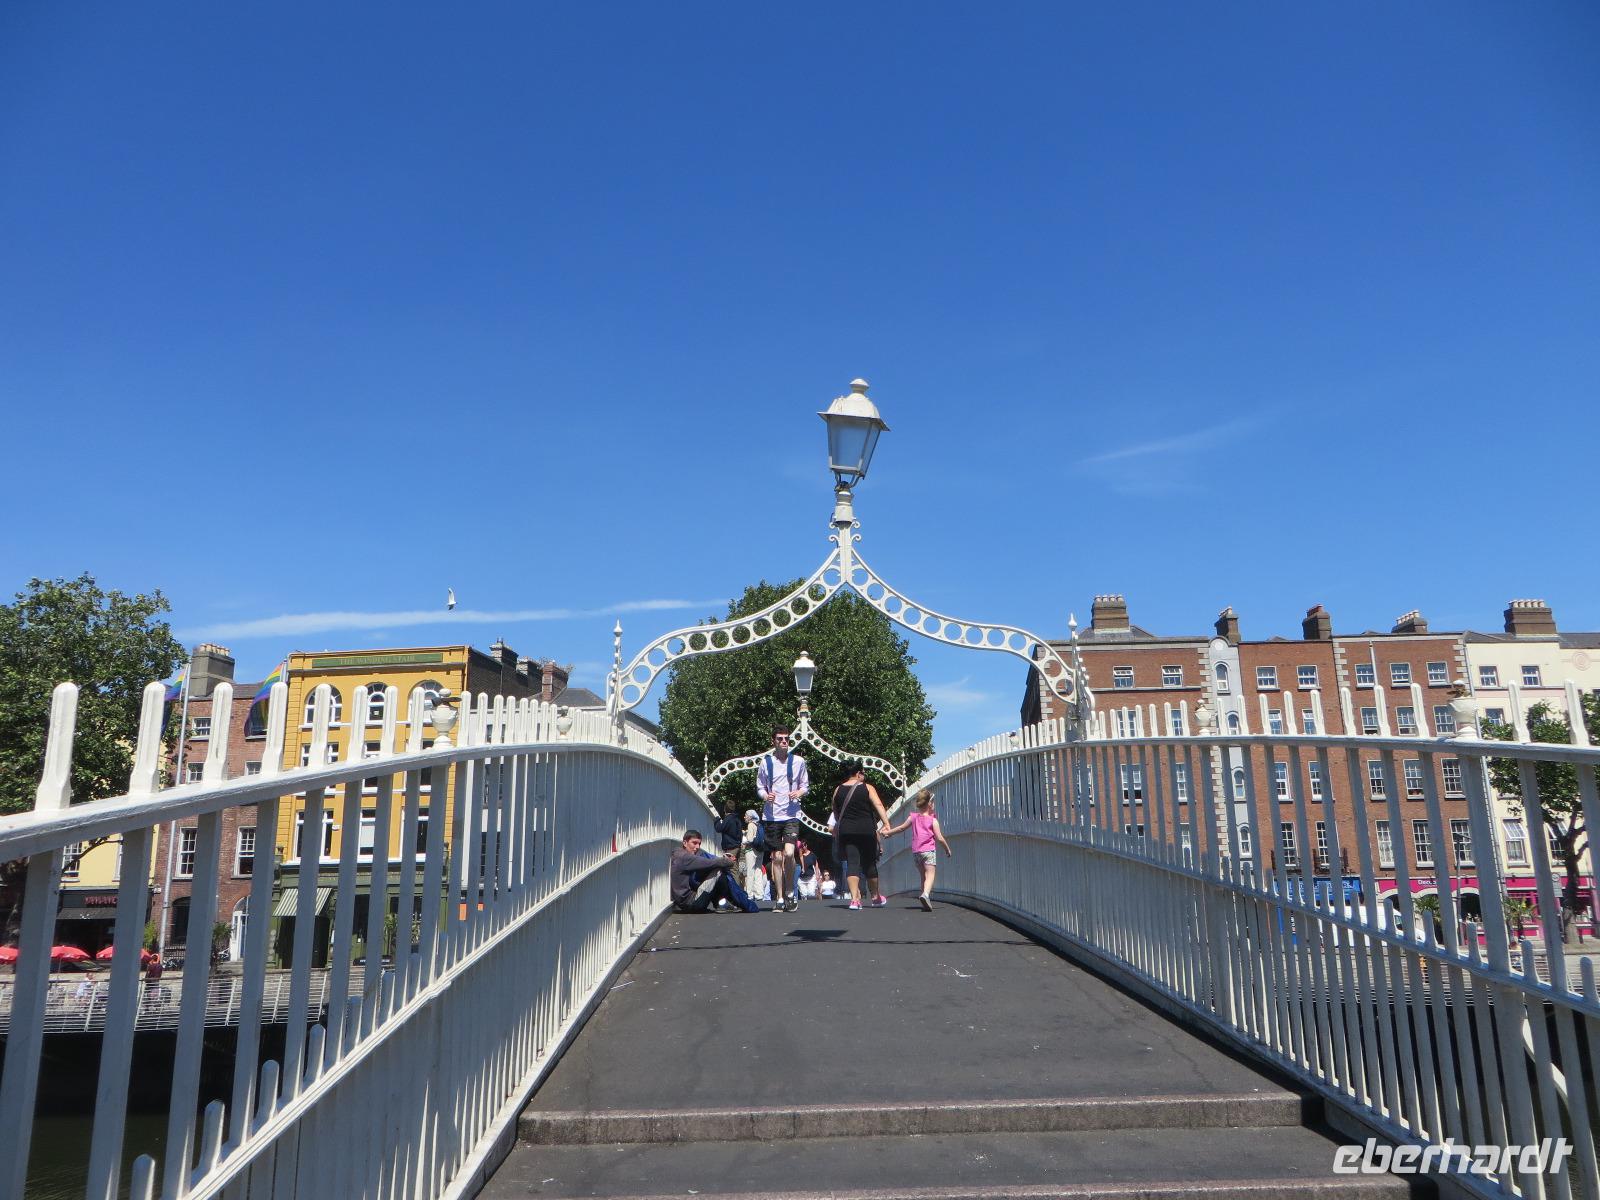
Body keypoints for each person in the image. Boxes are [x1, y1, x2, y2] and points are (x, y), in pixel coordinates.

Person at [757, 726, 809, 912]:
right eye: (780, 739)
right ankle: (779, 897)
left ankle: (789, 892)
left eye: (786, 738)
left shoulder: (798, 761)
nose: (784, 742)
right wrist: (765, 796)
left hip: (791, 815)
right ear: (774, 741)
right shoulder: (766, 763)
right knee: (777, 858)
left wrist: (798, 792)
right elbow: (760, 787)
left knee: (788, 853)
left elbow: (805, 785)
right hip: (771, 816)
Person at [830, 761, 891, 910]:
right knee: (869, 863)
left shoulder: (838, 790)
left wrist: (843, 823)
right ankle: (876, 897)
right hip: (866, 829)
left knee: (852, 863)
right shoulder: (867, 788)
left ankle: (855, 900)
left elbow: (835, 811)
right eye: (863, 773)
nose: (864, 775)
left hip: (847, 830)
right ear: (858, 773)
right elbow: (878, 805)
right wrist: (886, 823)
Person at [885, 790, 953, 911]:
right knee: (930, 874)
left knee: (923, 876)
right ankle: (925, 895)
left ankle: (924, 899)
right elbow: (939, 838)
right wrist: (947, 849)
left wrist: (889, 833)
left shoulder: (913, 817)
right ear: (930, 804)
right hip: (929, 851)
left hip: (916, 852)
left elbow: (901, 828)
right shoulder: (933, 820)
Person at [670, 830, 757, 913]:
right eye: (694, 843)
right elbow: (710, 863)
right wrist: (728, 861)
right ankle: (725, 902)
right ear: (685, 843)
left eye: (699, 844)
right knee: (718, 870)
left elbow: (706, 860)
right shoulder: (685, 858)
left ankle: (724, 902)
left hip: (685, 903)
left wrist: (722, 858)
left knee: (713, 868)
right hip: (691, 903)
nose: (697, 847)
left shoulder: (680, 854)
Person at [741, 809, 770, 901]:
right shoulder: (759, 824)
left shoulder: (750, 825)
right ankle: (759, 894)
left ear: (750, 817)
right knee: (758, 871)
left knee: (750, 872)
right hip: (760, 850)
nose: (744, 817)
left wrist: (743, 839)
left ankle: (749, 894)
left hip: (751, 850)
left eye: (746, 815)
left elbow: (750, 839)